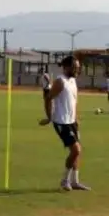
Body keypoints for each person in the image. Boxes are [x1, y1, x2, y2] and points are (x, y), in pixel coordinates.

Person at [40, 55, 89, 191]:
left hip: (72, 121)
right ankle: (64, 180)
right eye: (75, 67)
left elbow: (74, 101)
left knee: (77, 152)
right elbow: (48, 99)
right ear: (66, 67)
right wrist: (49, 118)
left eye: (78, 68)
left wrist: (76, 118)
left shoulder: (73, 81)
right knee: (76, 150)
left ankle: (75, 181)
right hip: (61, 122)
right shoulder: (60, 82)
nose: (77, 70)